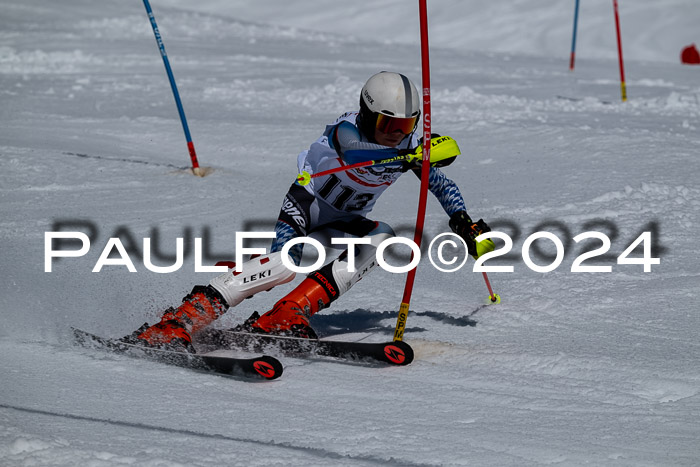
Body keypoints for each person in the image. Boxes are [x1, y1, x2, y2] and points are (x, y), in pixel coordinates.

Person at [126, 71, 494, 352]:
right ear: (368, 115)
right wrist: (411, 154)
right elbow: (354, 152)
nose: (397, 134)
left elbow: (441, 183)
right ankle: (183, 319)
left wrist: (463, 221)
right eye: (388, 125)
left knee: (383, 238)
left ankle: (287, 314)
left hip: (346, 221)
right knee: (284, 265)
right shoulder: (347, 128)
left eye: (405, 126)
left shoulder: (409, 145)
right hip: (307, 207)